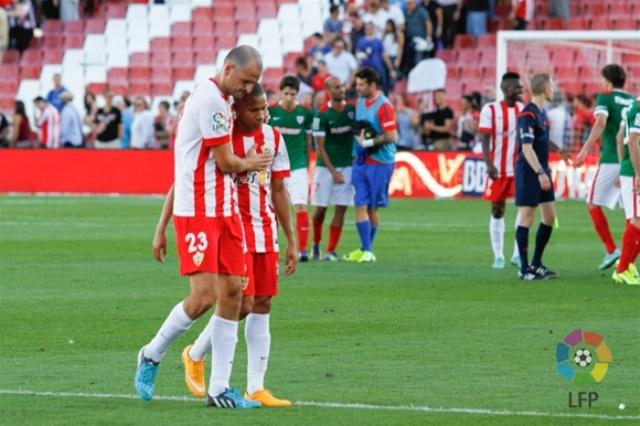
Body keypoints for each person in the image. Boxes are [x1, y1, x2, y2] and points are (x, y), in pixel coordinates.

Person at [134, 45, 273, 409]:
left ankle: (219, 389)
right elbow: (226, 163)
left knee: (234, 297)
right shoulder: (211, 100)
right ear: (228, 69)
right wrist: (254, 161)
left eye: (254, 83)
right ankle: (151, 353)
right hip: (197, 209)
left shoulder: (223, 99)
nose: (248, 89)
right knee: (203, 298)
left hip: (225, 209)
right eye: (245, 81)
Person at [152, 84, 298, 406]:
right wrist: (161, 227)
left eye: (264, 109)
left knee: (261, 305)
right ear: (236, 110)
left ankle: (255, 387)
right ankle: (196, 355)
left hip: (264, 232)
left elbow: (278, 189)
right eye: (253, 109)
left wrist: (292, 238)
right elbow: (183, 182)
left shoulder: (273, 138)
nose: (262, 115)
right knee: (239, 304)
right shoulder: (221, 136)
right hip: (231, 228)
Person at [576, 65, 635, 271]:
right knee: (631, 212)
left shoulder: (605, 97)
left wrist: (584, 150)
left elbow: (600, 123)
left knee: (592, 202)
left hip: (611, 158)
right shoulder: (631, 100)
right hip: (630, 160)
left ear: (607, 82)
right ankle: (628, 262)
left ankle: (612, 250)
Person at [343, 67, 397, 263]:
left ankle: (367, 249)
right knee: (360, 204)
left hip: (381, 161)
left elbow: (392, 136)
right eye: (357, 84)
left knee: (372, 208)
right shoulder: (359, 103)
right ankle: (366, 249)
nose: (357, 87)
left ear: (372, 85)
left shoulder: (384, 106)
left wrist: (370, 143)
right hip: (362, 160)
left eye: (361, 84)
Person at [514, 74, 561, 280]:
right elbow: (526, 148)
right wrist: (540, 172)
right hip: (529, 171)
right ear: (544, 88)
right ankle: (524, 269)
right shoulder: (528, 115)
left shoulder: (543, 114)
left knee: (549, 216)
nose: (554, 90)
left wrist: (561, 150)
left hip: (543, 169)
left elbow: (541, 142)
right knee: (527, 217)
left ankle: (537, 263)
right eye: (551, 86)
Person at [478, 72, 524, 269]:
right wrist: (488, 163)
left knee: (524, 209)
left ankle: (516, 254)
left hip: (518, 168)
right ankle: (498, 256)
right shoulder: (490, 110)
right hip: (497, 169)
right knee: (498, 210)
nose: (520, 90)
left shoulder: (522, 109)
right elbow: (485, 138)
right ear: (506, 89)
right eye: (517, 88)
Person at [268, 75, 314, 261]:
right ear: (281, 92)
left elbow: (308, 142)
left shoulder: (306, 114)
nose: (289, 97)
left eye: (292, 94)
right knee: (273, 209)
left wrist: (306, 161)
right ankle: (273, 246)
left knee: (300, 206)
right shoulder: (271, 112)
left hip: (298, 166)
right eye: (286, 93)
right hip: (276, 167)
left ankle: (302, 250)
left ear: (297, 94)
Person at [311, 76, 355, 261]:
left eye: (343, 86)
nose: (342, 89)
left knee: (341, 208)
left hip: (347, 167)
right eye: (337, 87)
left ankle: (330, 251)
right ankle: (316, 244)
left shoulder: (352, 111)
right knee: (320, 209)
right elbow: (320, 148)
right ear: (328, 90)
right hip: (325, 169)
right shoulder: (321, 115)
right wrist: (333, 171)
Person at [613, 96, 640, 285]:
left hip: (630, 170)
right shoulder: (637, 109)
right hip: (633, 172)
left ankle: (627, 264)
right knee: (637, 220)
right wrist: (638, 173)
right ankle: (622, 268)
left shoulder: (633, 106)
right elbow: (632, 141)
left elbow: (620, 136)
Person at [357, 21, 396, 94]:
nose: (369, 30)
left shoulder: (378, 41)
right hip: (365, 67)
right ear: (365, 30)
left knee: (380, 85)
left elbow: (384, 55)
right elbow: (358, 54)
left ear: (373, 29)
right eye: (367, 28)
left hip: (377, 68)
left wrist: (391, 69)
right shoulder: (361, 41)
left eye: (370, 28)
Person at [404, 0, 432, 70]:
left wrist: (429, 37)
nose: (409, 6)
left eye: (410, 4)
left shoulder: (421, 11)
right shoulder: (406, 12)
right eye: (408, 4)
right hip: (410, 40)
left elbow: (428, 24)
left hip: (420, 40)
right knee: (410, 59)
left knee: (419, 59)